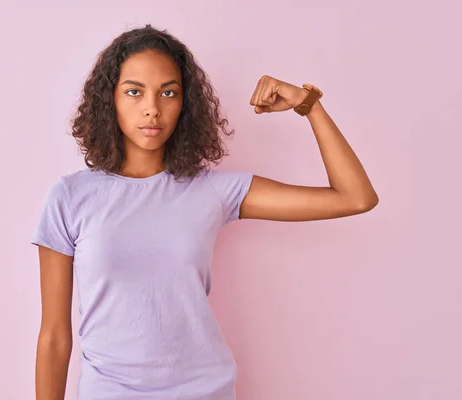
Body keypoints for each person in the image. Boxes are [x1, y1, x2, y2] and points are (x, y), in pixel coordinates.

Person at [30, 24, 378, 400]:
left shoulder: (213, 190)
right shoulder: (71, 197)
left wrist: (308, 105)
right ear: (109, 100)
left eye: (168, 93)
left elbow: (355, 197)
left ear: (185, 104)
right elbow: (53, 336)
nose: (152, 108)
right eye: (134, 92)